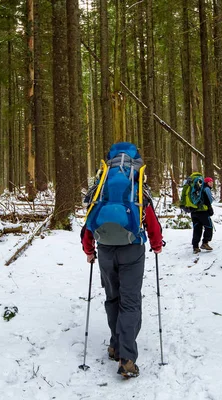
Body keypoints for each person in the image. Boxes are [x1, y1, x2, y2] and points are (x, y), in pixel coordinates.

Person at [81, 143, 163, 379]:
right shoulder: (137, 187)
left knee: (113, 297)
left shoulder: (101, 187)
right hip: (132, 249)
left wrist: (89, 249)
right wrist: (156, 245)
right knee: (130, 301)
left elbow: (89, 220)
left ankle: (115, 345)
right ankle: (126, 357)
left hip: (106, 249)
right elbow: (151, 221)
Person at [191, 176, 214, 254]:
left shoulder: (196, 189)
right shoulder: (206, 189)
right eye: (210, 182)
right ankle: (205, 243)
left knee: (197, 228)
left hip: (194, 211)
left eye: (212, 182)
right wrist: (209, 208)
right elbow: (210, 200)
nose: (212, 183)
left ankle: (195, 246)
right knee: (209, 226)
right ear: (206, 182)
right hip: (203, 212)